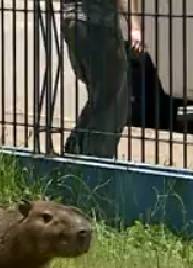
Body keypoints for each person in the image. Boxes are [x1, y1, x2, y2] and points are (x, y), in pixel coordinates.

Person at [61, 0, 143, 159]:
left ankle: (75, 150)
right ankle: (94, 162)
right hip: (98, 24)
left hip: (73, 20)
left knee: (102, 96)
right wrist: (134, 25)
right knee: (113, 100)